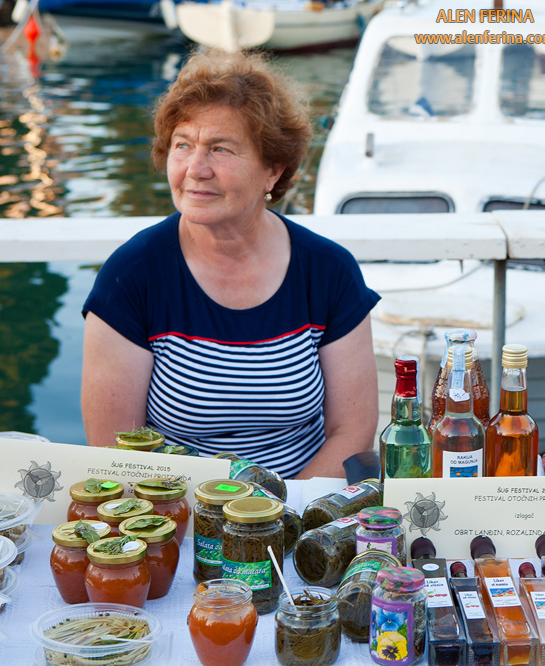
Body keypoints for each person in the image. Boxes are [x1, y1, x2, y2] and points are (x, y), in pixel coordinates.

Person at [81, 50, 380, 479]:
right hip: (174, 516)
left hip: (302, 512)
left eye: (220, 149)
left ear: (272, 172)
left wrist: (276, 517)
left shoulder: (328, 271)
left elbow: (351, 431)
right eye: (183, 145)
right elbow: (116, 450)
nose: (195, 169)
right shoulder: (131, 276)